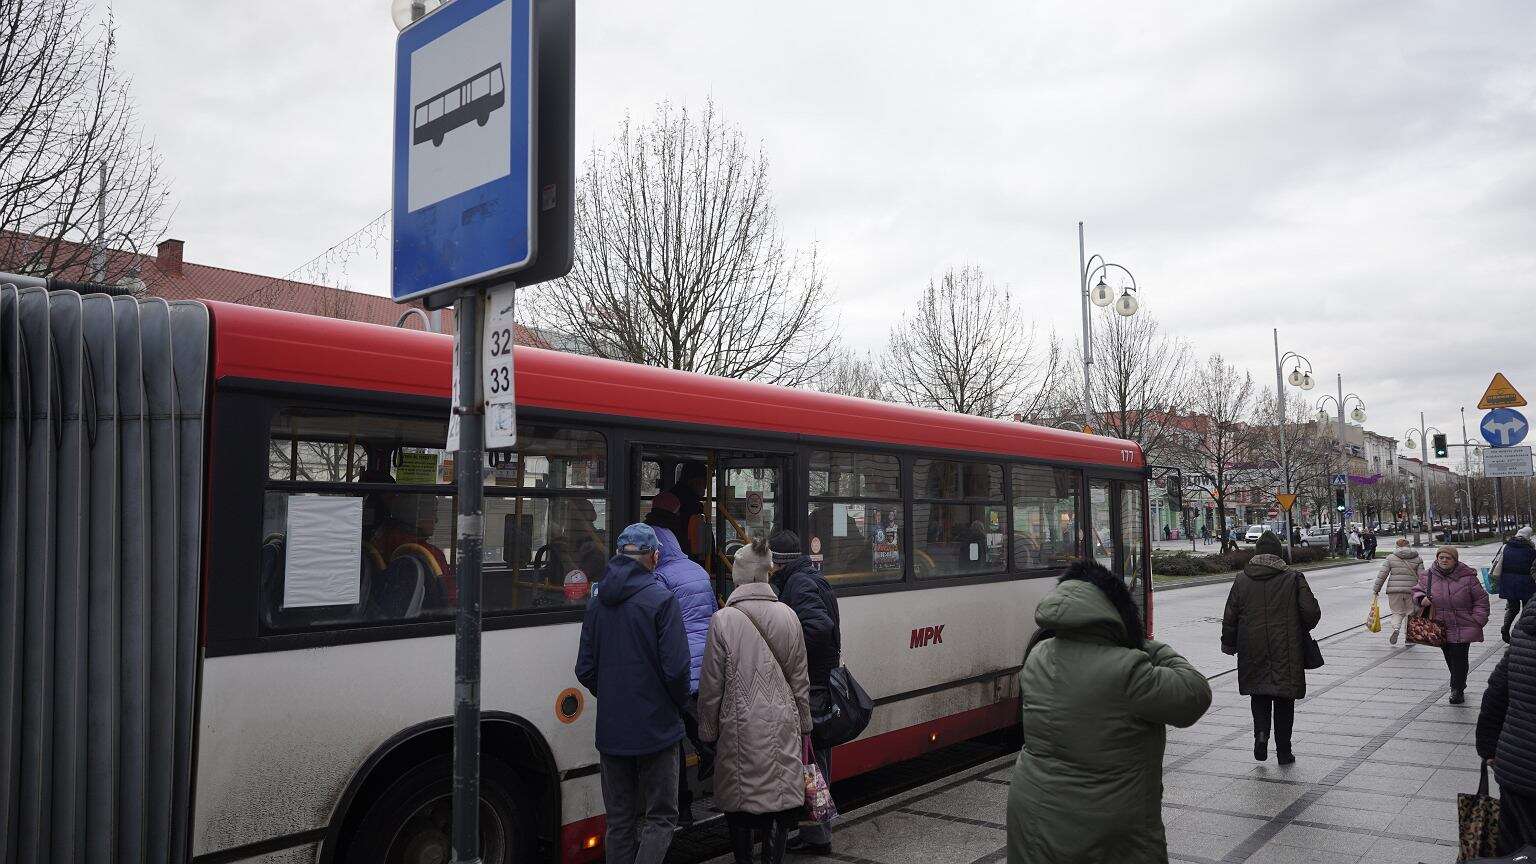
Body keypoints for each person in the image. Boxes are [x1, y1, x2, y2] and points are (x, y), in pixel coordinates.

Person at [1006, 560, 1211, 864]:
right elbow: (1194, 694)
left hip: (1033, 815)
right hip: (1103, 830)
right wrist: (1142, 643)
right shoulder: (1129, 669)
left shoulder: (1038, 655)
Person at [574, 524, 691, 864]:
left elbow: (585, 669)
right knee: (661, 817)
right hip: (657, 728)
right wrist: (676, 704)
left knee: (620, 820)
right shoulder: (661, 600)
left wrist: (611, 694)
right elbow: (677, 671)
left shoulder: (597, 602)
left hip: (612, 729)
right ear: (654, 557)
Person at [698, 538, 813, 864]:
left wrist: (707, 732)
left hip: (738, 728)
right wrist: (805, 723)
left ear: (739, 577)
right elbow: (800, 680)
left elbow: (711, 687)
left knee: (739, 803)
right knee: (778, 802)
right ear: (765, 574)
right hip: (783, 723)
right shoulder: (789, 616)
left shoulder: (723, 620)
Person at [645, 492, 719, 824]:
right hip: (704, 666)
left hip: (678, 669)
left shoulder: (659, 578)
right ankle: (720, 774)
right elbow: (714, 616)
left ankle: (683, 808)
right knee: (703, 727)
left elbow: (661, 629)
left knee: (675, 738)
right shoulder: (698, 572)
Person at [767, 528, 840, 855]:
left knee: (813, 762)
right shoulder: (809, 576)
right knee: (813, 760)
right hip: (819, 680)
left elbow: (819, 628)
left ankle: (820, 835)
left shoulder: (798, 584)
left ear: (779, 562)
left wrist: (791, 653)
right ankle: (814, 833)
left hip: (813, 683)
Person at [1221, 533, 1321, 765]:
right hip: (1286, 649)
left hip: (1252, 649)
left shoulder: (1241, 580)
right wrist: (1297, 626)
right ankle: (1284, 752)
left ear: (1256, 554)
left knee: (1259, 694)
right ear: (1279, 554)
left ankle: (1261, 735)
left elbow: (1230, 617)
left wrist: (1228, 643)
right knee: (1284, 700)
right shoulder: (1293, 578)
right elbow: (1311, 613)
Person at [1478, 590, 1536, 854]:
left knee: (1516, 850)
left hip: (1518, 768)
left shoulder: (1531, 617)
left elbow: (1499, 688)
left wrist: (1489, 747)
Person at [1413, 546, 1490, 704]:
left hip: (1463, 624)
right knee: (1449, 656)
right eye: (1441, 557)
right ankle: (1459, 683)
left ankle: (1457, 689)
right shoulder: (1428, 575)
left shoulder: (1467, 577)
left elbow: (1481, 600)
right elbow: (1416, 591)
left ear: (1455, 560)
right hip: (1439, 625)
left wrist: (1478, 620)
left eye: (1448, 558)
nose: (1444, 560)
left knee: (1460, 657)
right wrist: (1421, 599)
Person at [1374, 538, 1424, 645]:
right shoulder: (1417, 558)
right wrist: (1424, 591)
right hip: (1412, 590)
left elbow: (1382, 574)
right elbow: (1422, 577)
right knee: (1410, 613)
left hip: (1394, 590)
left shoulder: (1391, 557)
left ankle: (1396, 628)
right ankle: (1408, 638)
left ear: (1397, 546)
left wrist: (1376, 589)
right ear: (1409, 545)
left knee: (1397, 612)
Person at [1497, 527, 1536, 643]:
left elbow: (1497, 561)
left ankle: (1505, 628)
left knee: (1512, 608)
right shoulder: (1530, 549)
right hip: (1526, 583)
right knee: (1526, 609)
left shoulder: (1506, 546)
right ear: (1528, 536)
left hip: (1508, 582)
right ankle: (1521, 633)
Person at [666, 461, 710, 557]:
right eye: (704, 481)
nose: (706, 487)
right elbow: (696, 537)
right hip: (686, 554)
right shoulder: (691, 504)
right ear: (694, 481)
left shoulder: (673, 495)